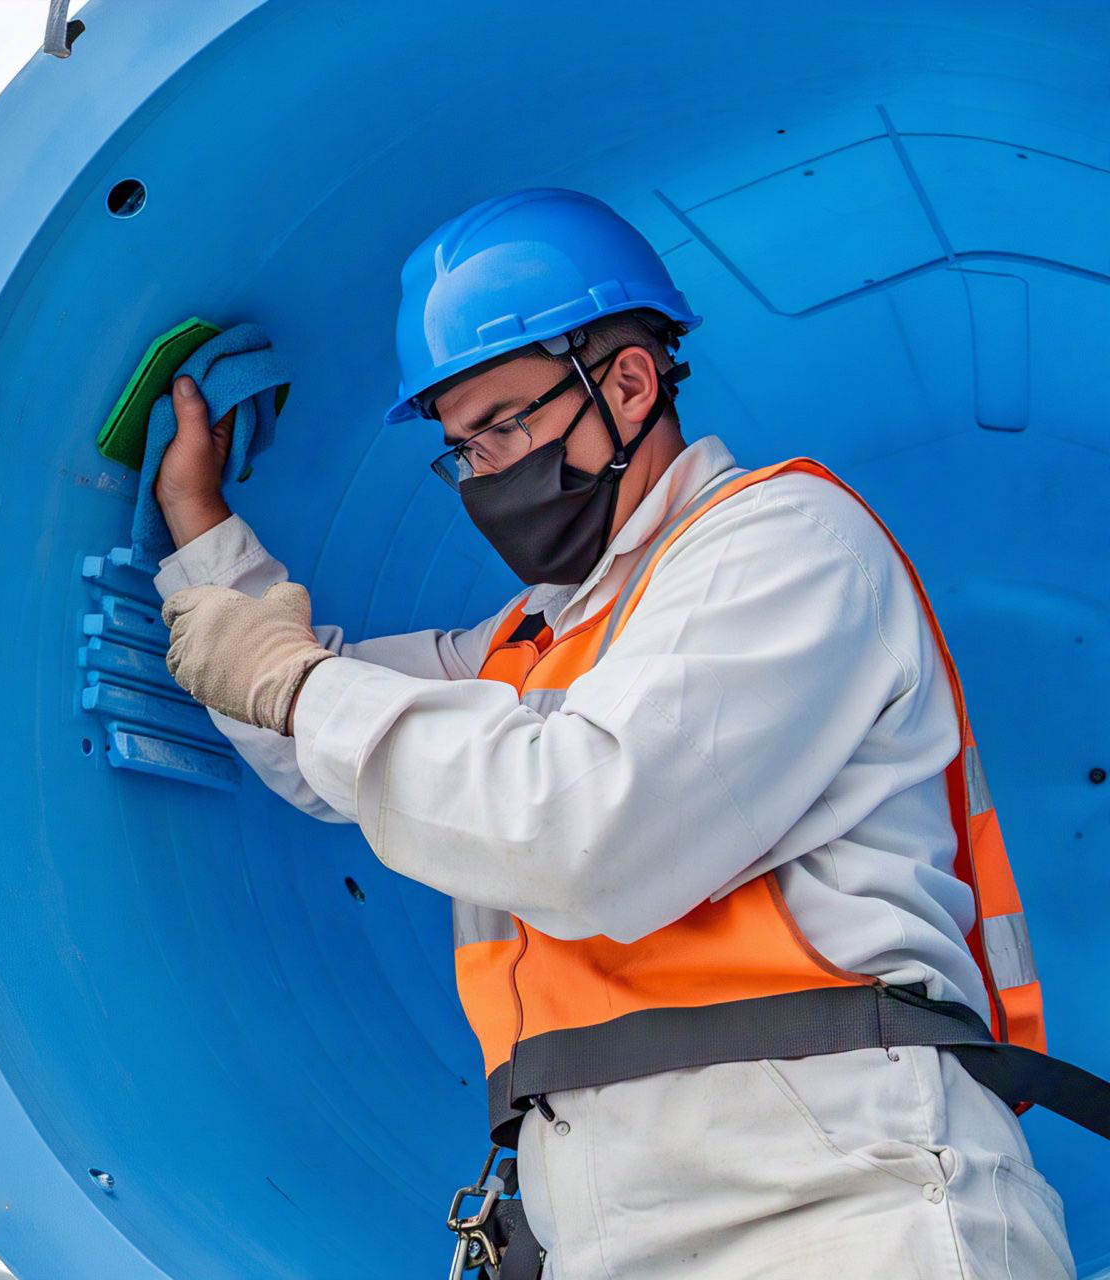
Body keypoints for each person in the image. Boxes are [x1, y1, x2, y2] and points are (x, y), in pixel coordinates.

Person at [150, 189, 1077, 1277]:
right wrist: (205, 540)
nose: (484, 475)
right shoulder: (532, 643)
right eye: (460, 451)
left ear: (628, 382)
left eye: (501, 426)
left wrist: (297, 685)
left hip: (848, 1205)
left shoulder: (782, 545)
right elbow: (321, 735)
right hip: (612, 1232)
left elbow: (584, 830)